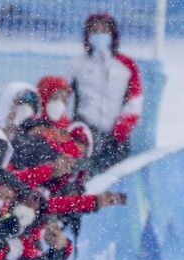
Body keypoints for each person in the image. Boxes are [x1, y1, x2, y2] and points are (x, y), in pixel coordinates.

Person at [67, 12, 144, 173]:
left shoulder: (127, 65)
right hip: (85, 133)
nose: (99, 35)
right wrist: (72, 127)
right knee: (83, 177)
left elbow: (134, 102)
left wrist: (120, 130)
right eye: (94, 31)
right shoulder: (76, 64)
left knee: (113, 179)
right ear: (87, 35)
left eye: (104, 31)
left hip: (116, 137)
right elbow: (65, 97)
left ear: (113, 35)